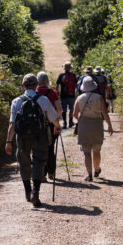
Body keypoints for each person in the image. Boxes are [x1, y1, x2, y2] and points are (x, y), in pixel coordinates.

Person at [5, 74, 61, 207]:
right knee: (39, 161)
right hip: (40, 134)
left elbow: (12, 124)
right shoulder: (44, 99)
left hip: (22, 136)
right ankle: (35, 192)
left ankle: (27, 192)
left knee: (24, 162)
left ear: (23, 86)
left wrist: (8, 142)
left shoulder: (16, 101)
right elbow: (53, 117)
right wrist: (58, 127)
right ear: (36, 86)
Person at [73, 76, 113, 182]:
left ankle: (89, 174)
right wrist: (109, 125)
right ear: (94, 87)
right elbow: (104, 113)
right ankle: (97, 169)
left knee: (86, 152)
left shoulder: (79, 98)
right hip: (97, 125)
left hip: (84, 126)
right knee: (96, 150)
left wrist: (81, 120)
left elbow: (75, 114)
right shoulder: (99, 98)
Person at [36, 71, 63, 182]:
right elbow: (59, 108)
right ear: (47, 81)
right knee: (50, 148)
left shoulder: (34, 92)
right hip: (51, 125)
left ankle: (42, 173)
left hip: (37, 126)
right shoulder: (52, 92)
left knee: (38, 149)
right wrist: (56, 119)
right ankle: (51, 172)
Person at [56, 62, 77, 129]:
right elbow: (76, 86)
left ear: (64, 68)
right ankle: (71, 122)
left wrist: (57, 92)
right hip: (71, 95)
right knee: (71, 109)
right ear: (70, 68)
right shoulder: (73, 75)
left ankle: (65, 123)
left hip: (63, 95)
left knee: (64, 110)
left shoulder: (61, 75)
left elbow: (57, 85)